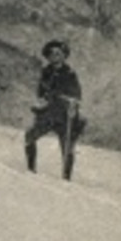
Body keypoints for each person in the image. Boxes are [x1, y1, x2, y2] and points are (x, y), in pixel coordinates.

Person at [25, 40, 84, 180]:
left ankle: (66, 178)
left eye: (58, 53)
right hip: (48, 112)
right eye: (51, 54)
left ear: (64, 56)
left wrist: (71, 103)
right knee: (30, 137)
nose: (54, 56)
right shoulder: (46, 72)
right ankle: (30, 170)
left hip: (64, 115)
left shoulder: (69, 74)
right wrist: (41, 100)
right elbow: (41, 91)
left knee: (67, 148)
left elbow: (77, 95)